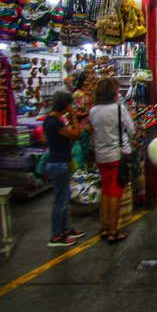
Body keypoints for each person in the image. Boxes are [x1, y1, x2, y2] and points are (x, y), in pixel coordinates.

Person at [89, 77, 134, 244]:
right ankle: (113, 230)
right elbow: (131, 129)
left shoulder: (93, 111)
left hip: (100, 156)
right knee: (116, 192)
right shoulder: (119, 109)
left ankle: (104, 226)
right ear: (113, 93)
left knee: (106, 190)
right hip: (117, 155)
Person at [43, 90, 85, 247]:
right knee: (60, 200)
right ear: (66, 105)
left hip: (56, 161)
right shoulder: (55, 123)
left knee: (63, 197)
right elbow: (76, 134)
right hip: (58, 163)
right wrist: (74, 118)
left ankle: (65, 229)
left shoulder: (49, 120)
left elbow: (44, 139)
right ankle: (56, 236)